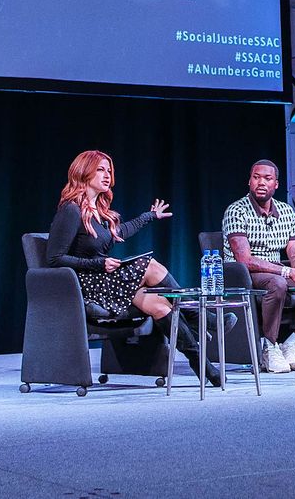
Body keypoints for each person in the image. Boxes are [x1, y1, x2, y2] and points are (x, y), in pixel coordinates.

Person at [46, 150, 220, 386]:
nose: (107, 175)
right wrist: (99, 263)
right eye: (100, 169)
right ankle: (200, 317)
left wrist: (150, 216)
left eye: (109, 170)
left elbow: (122, 231)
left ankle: (202, 365)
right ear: (83, 171)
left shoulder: (99, 212)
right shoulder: (71, 210)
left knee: (159, 305)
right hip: (85, 287)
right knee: (150, 265)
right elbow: (54, 258)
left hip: (105, 282)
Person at [221, 160, 295, 374]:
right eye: (256, 177)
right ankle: (269, 346)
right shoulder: (236, 211)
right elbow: (244, 259)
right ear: (249, 182)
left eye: (267, 178)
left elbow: (294, 252)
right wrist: (289, 272)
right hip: (244, 275)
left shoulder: (286, 211)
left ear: (276, 184)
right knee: (277, 283)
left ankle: (294, 341)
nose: (261, 182)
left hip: (275, 269)